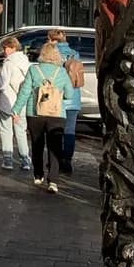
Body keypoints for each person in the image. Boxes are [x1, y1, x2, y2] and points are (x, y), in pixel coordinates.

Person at [14, 42, 70, 193]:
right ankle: (53, 181)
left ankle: (38, 175)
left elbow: (25, 92)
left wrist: (16, 110)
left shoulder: (33, 70)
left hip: (34, 113)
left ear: (42, 54)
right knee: (55, 147)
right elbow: (70, 94)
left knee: (37, 145)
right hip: (57, 114)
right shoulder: (62, 72)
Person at [0, 36, 31, 172]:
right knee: (21, 131)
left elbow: (2, 85)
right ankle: (25, 160)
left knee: (6, 131)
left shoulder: (8, 63)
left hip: (7, 102)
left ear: (13, 48)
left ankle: (8, 160)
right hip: (21, 103)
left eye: (7, 48)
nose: (5, 51)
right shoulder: (25, 61)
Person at [48, 28, 85, 173]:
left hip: (57, 100)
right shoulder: (75, 54)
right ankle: (67, 161)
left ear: (52, 40)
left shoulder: (52, 54)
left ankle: (55, 162)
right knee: (70, 131)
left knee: (55, 131)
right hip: (74, 98)